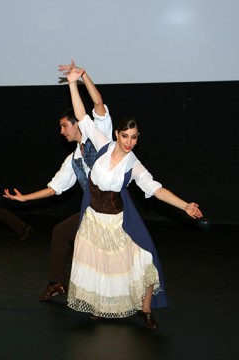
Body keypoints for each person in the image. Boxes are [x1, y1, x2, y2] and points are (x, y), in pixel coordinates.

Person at [64, 65, 203, 330]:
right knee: (97, 264)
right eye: (125, 136)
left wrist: (185, 205)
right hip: (93, 219)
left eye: (134, 138)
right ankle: (98, 307)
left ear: (138, 140)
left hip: (118, 221)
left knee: (144, 260)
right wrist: (73, 82)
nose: (129, 141)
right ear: (117, 134)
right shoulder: (102, 143)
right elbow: (81, 115)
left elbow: (155, 189)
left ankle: (146, 309)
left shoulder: (133, 164)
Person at [4, 61, 112, 301]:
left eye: (64, 125)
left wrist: (83, 76)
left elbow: (98, 103)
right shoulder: (73, 159)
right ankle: (56, 283)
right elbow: (54, 188)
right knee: (61, 232)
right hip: (92, 209)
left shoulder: (99, 135)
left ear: (77, 123)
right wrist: (23, 198)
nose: (62, 131)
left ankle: (104, 295)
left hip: (114, 208)